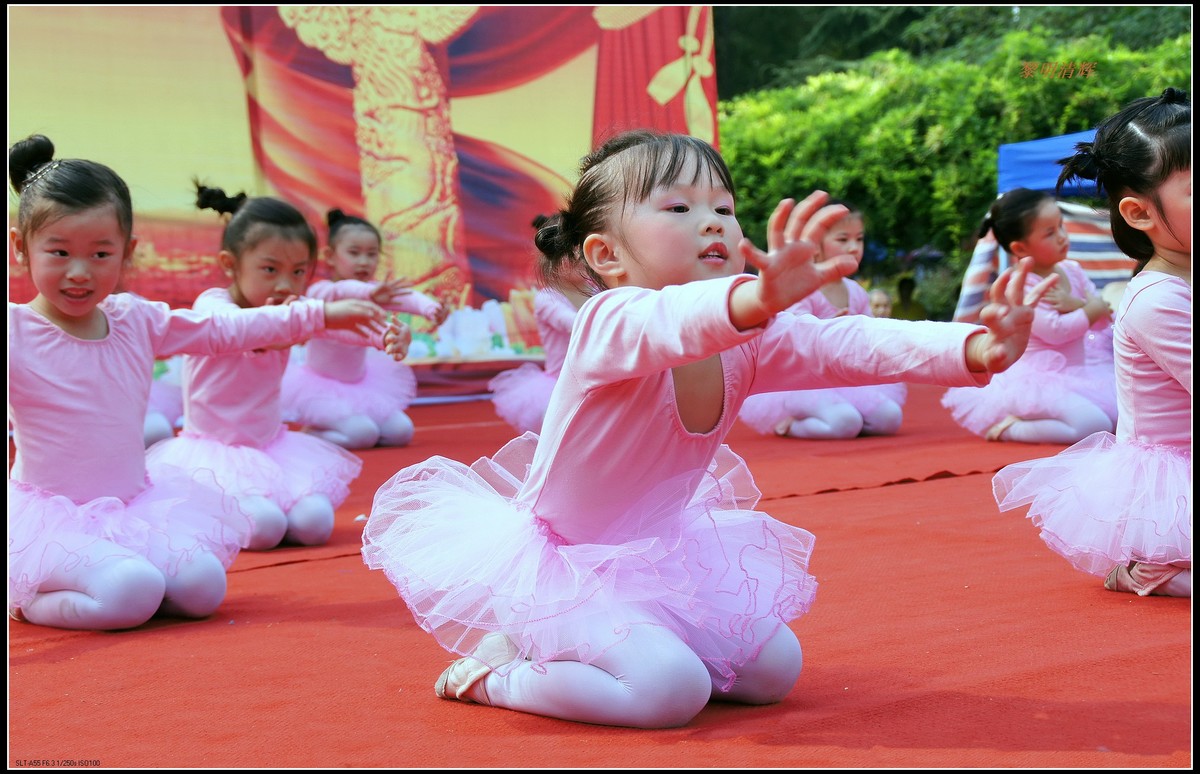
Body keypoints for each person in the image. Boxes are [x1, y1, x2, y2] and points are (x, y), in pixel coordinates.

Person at [361, 129, 1055, 729]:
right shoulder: (611, 323)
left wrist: (975, 349)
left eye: (723, 207)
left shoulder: (748, 337)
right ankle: (499, 673)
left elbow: (844, 344)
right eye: (680, 208)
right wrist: (757, 297)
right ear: (606, 256)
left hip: (660, 555)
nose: (713, 222)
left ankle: (618, 644)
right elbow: (679, 321)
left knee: (773, 672)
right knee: (671, 689)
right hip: (562, 569)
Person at [6, 135, 390, 630]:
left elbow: (227, 329)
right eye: (58, 252)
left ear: (128, 253)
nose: (79, 272)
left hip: (131, 508)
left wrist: (323, 314)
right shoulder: (16, 331)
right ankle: (28, 598)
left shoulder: (135, 319)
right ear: (21, 248)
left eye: (101, 254)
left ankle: (115, 577)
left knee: (203, 586)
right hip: (51, 523)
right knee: (132, 589)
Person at [994, 87, 1191, 597]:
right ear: (1139, 213)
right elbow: (1064, 329)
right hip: (1172, 475)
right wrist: (1094, 309)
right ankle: (1154, 564)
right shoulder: (1157, 299)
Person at [147, 186, 410, 551]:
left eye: (299, 271)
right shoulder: (214, 307)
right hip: (214, 456)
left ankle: (254, 507)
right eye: (269, 270)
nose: (285, 284)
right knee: (266, 527)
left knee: (315, 524)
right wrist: (314, 316)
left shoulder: (291, 311)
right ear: (229, 264)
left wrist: (386, 334)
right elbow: (252, 330)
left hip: (272, 450)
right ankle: (208, 508)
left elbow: (337, 329)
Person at [941, 187, 1117, 443]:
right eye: (1050, 233)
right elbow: (1058, 331)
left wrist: (1078, 304)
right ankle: (1011, 428)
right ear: (1020, 248)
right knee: (1093, 425)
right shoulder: (1021, 285)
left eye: (1060, 226)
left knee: (1119, 419)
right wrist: (1089, 307)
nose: (1062, 237)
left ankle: (1045, 418)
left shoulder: (1073, 270)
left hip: (1081, 373)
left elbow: (1104, 319)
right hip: (1036, 382)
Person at [280, 208, 447, 450]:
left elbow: (407, 297)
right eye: (354, 253)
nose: (364, 261)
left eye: (371, 255)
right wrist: (368, 293)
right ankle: (309, 436)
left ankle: (349, 425)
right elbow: (345, 290)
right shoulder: (321, 292)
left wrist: (431, 309)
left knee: (401, 432)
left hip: (363, 385)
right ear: (330, 255)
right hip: (321, 389)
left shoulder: (375, 291)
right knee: (364, 435)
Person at [738, 202, 908, 439]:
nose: (853, 247)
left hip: (845, 379)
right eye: (842, 240)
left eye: (858, 239)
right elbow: (791, 335)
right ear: (816, 246)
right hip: (803, 382)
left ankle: (848, 415)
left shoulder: (856, 291)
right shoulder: (803, 290)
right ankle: (791, 425)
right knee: (845, 423)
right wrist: (827, 329)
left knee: (890, 418)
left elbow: (869, 334)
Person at [488, 215, 592, 435]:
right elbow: (574, 324)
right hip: (560, 385)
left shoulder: (595, 289)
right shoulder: (548, 299)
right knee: (563, 432)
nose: (584, 262)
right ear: (556, 263)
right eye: (576, 256)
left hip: (595, 378)